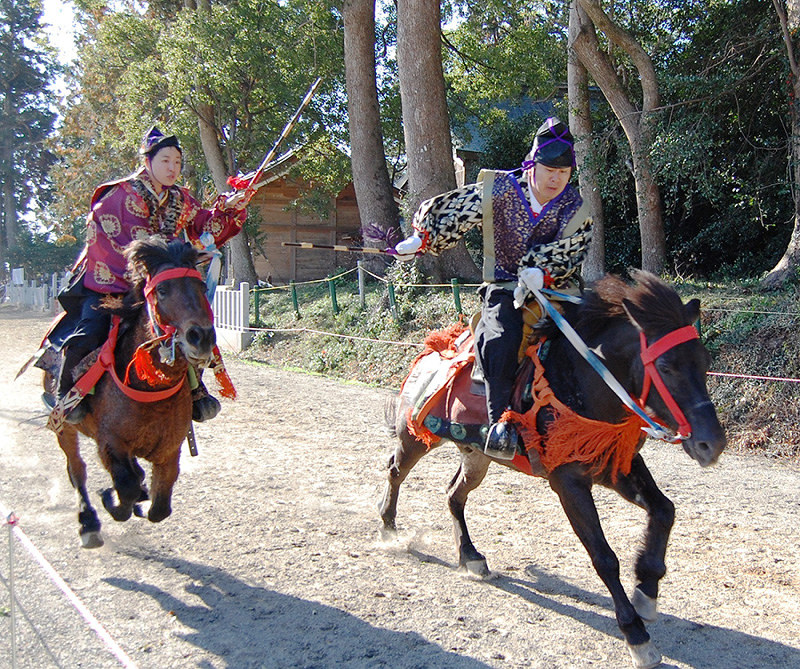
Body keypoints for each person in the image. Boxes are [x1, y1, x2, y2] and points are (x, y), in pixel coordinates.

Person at [393, 117, 593, 459]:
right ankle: (502, 422)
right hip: (504, 286)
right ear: (532, 164)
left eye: (564, 172)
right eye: (549, 170)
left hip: (559, 287)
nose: (557, 178)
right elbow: (457, 208)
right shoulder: (500, 188)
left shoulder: (576, 207)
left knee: (600, 331)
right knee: (500, 335)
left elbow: (574, 248)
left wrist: (541, 272)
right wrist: (421, 237)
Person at [51, 126, 249, 424]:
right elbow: (139, 246)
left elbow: (206, 225)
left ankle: (194, 387)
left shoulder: (179, 198)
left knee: (191, 322)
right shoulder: (118, 196)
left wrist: (230, 208)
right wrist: (188, 249)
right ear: (147, 161)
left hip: (157, 283)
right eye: (166, 161)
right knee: (89, 331)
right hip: (112, 280)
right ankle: (66, 394)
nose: (173, 168)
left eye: (178, 163)